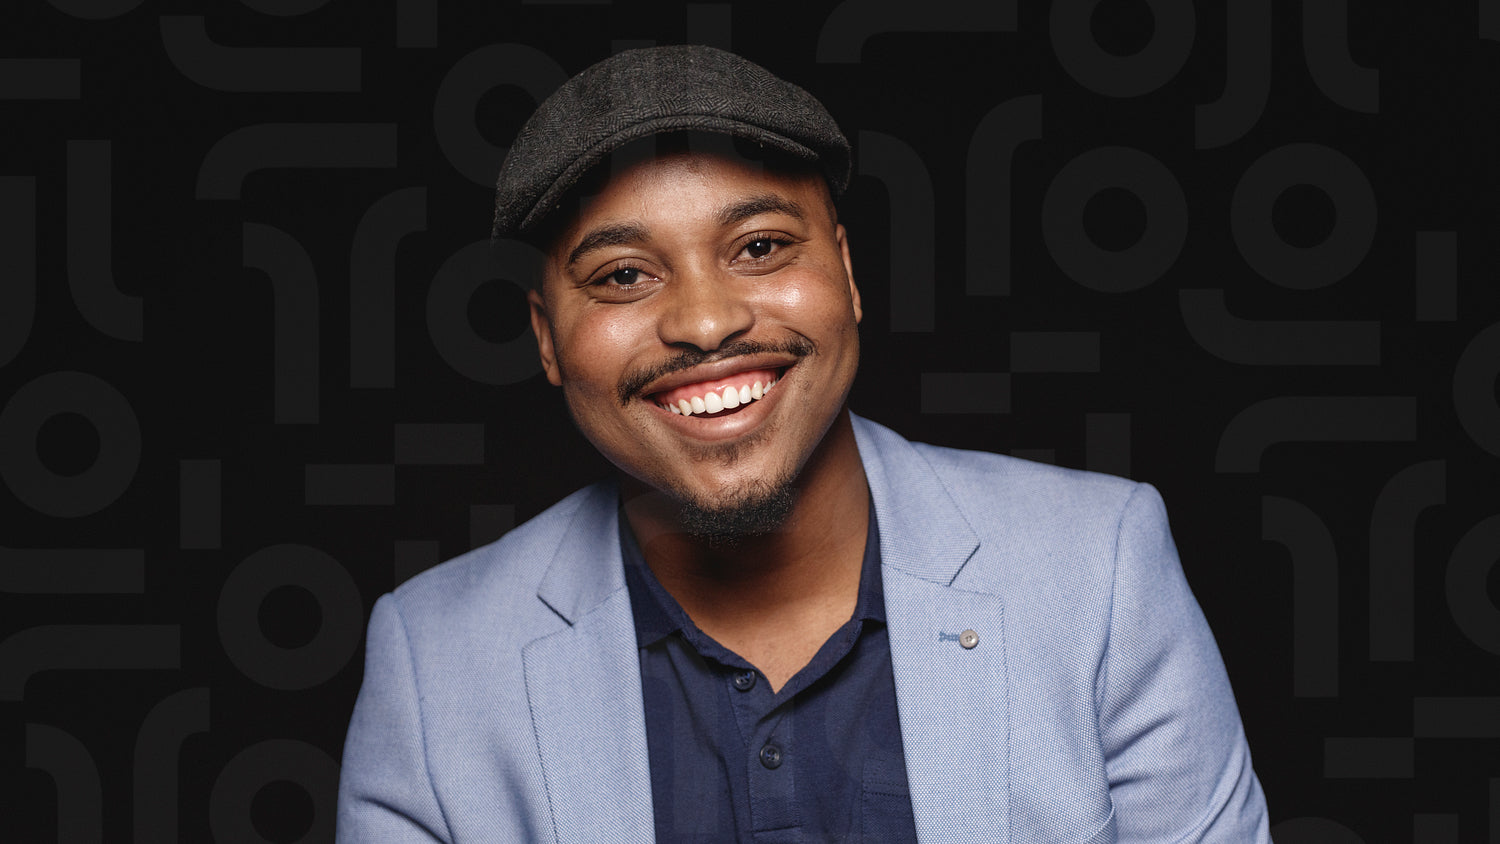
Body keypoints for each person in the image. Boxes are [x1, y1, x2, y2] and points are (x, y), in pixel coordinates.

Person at [337, 45, 1271, 842]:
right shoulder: (434, 664)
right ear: (547, 340)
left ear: (848, 274)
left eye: (759, 247)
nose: (705, 322)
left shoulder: (1098, 567)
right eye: (623, 275)